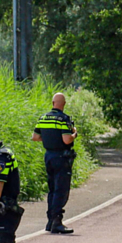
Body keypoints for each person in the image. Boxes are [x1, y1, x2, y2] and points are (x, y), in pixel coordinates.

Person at [33, 93, 77, 234]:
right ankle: (57, 222)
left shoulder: (43, 118)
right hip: (61, 157)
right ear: (63, 104)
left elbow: (35, 137)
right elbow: (66, 140)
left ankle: (50, 221)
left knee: (52, 189)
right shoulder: (64, 119)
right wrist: (74, 133)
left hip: (49, 156)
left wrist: (49, 140)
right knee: (61, 189)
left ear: (53, 102)